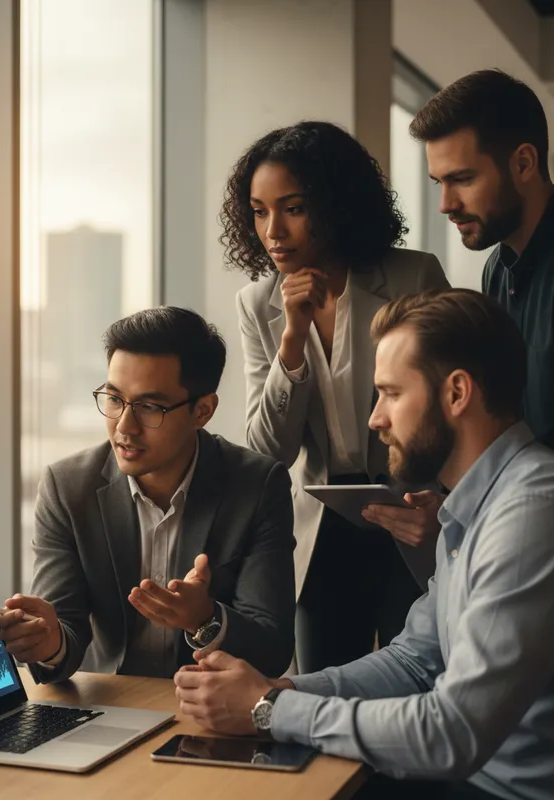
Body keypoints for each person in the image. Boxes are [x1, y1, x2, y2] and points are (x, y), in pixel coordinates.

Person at [174, 289, 554, 799]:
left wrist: (271, 711)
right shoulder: (474, 503)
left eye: (391, 393)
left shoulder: (535, 510)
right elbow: (415, 661)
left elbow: (454, 732)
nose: (375, 418)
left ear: (457, 393)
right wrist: (279, 690)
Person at [225, 120, 450, 672]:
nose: (273, 230)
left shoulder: (413, 276)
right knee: (324, 690)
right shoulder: (258, 305)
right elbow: (266, 451)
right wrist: (293, 341)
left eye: (293, 207)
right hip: (322, 531)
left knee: (419, 683)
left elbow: (451, 410)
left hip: (412, 516)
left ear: (335, 203)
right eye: (258, 211)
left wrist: (444, 505)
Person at [0, 307, 296, 682]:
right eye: (114, 399)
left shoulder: (256, 485)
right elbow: (65, 632)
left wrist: (205, 619)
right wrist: (49, 643)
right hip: (106, 705)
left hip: (205, 709)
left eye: (150, 407)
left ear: (202, 411)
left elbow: (273, 649)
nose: (124, 426)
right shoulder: (68, 487)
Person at [408, 68, 554, 478]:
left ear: (524, 163)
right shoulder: (497, 268)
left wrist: (493, 501)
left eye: (462, 179)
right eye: (438, 182)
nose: (445, 204)